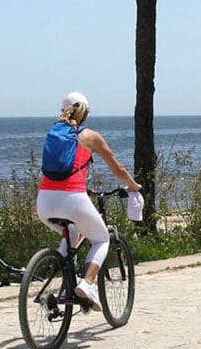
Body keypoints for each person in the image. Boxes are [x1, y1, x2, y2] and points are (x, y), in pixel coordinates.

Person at [35, 92, 141, 309]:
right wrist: (133, 186)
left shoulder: (54, 132)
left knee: (71, 235)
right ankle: (88, 284)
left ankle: (65, 288)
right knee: (102, 239)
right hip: (72, 200)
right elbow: (118, 169)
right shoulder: (89, 136)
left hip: (44, 201)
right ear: (86, 113)